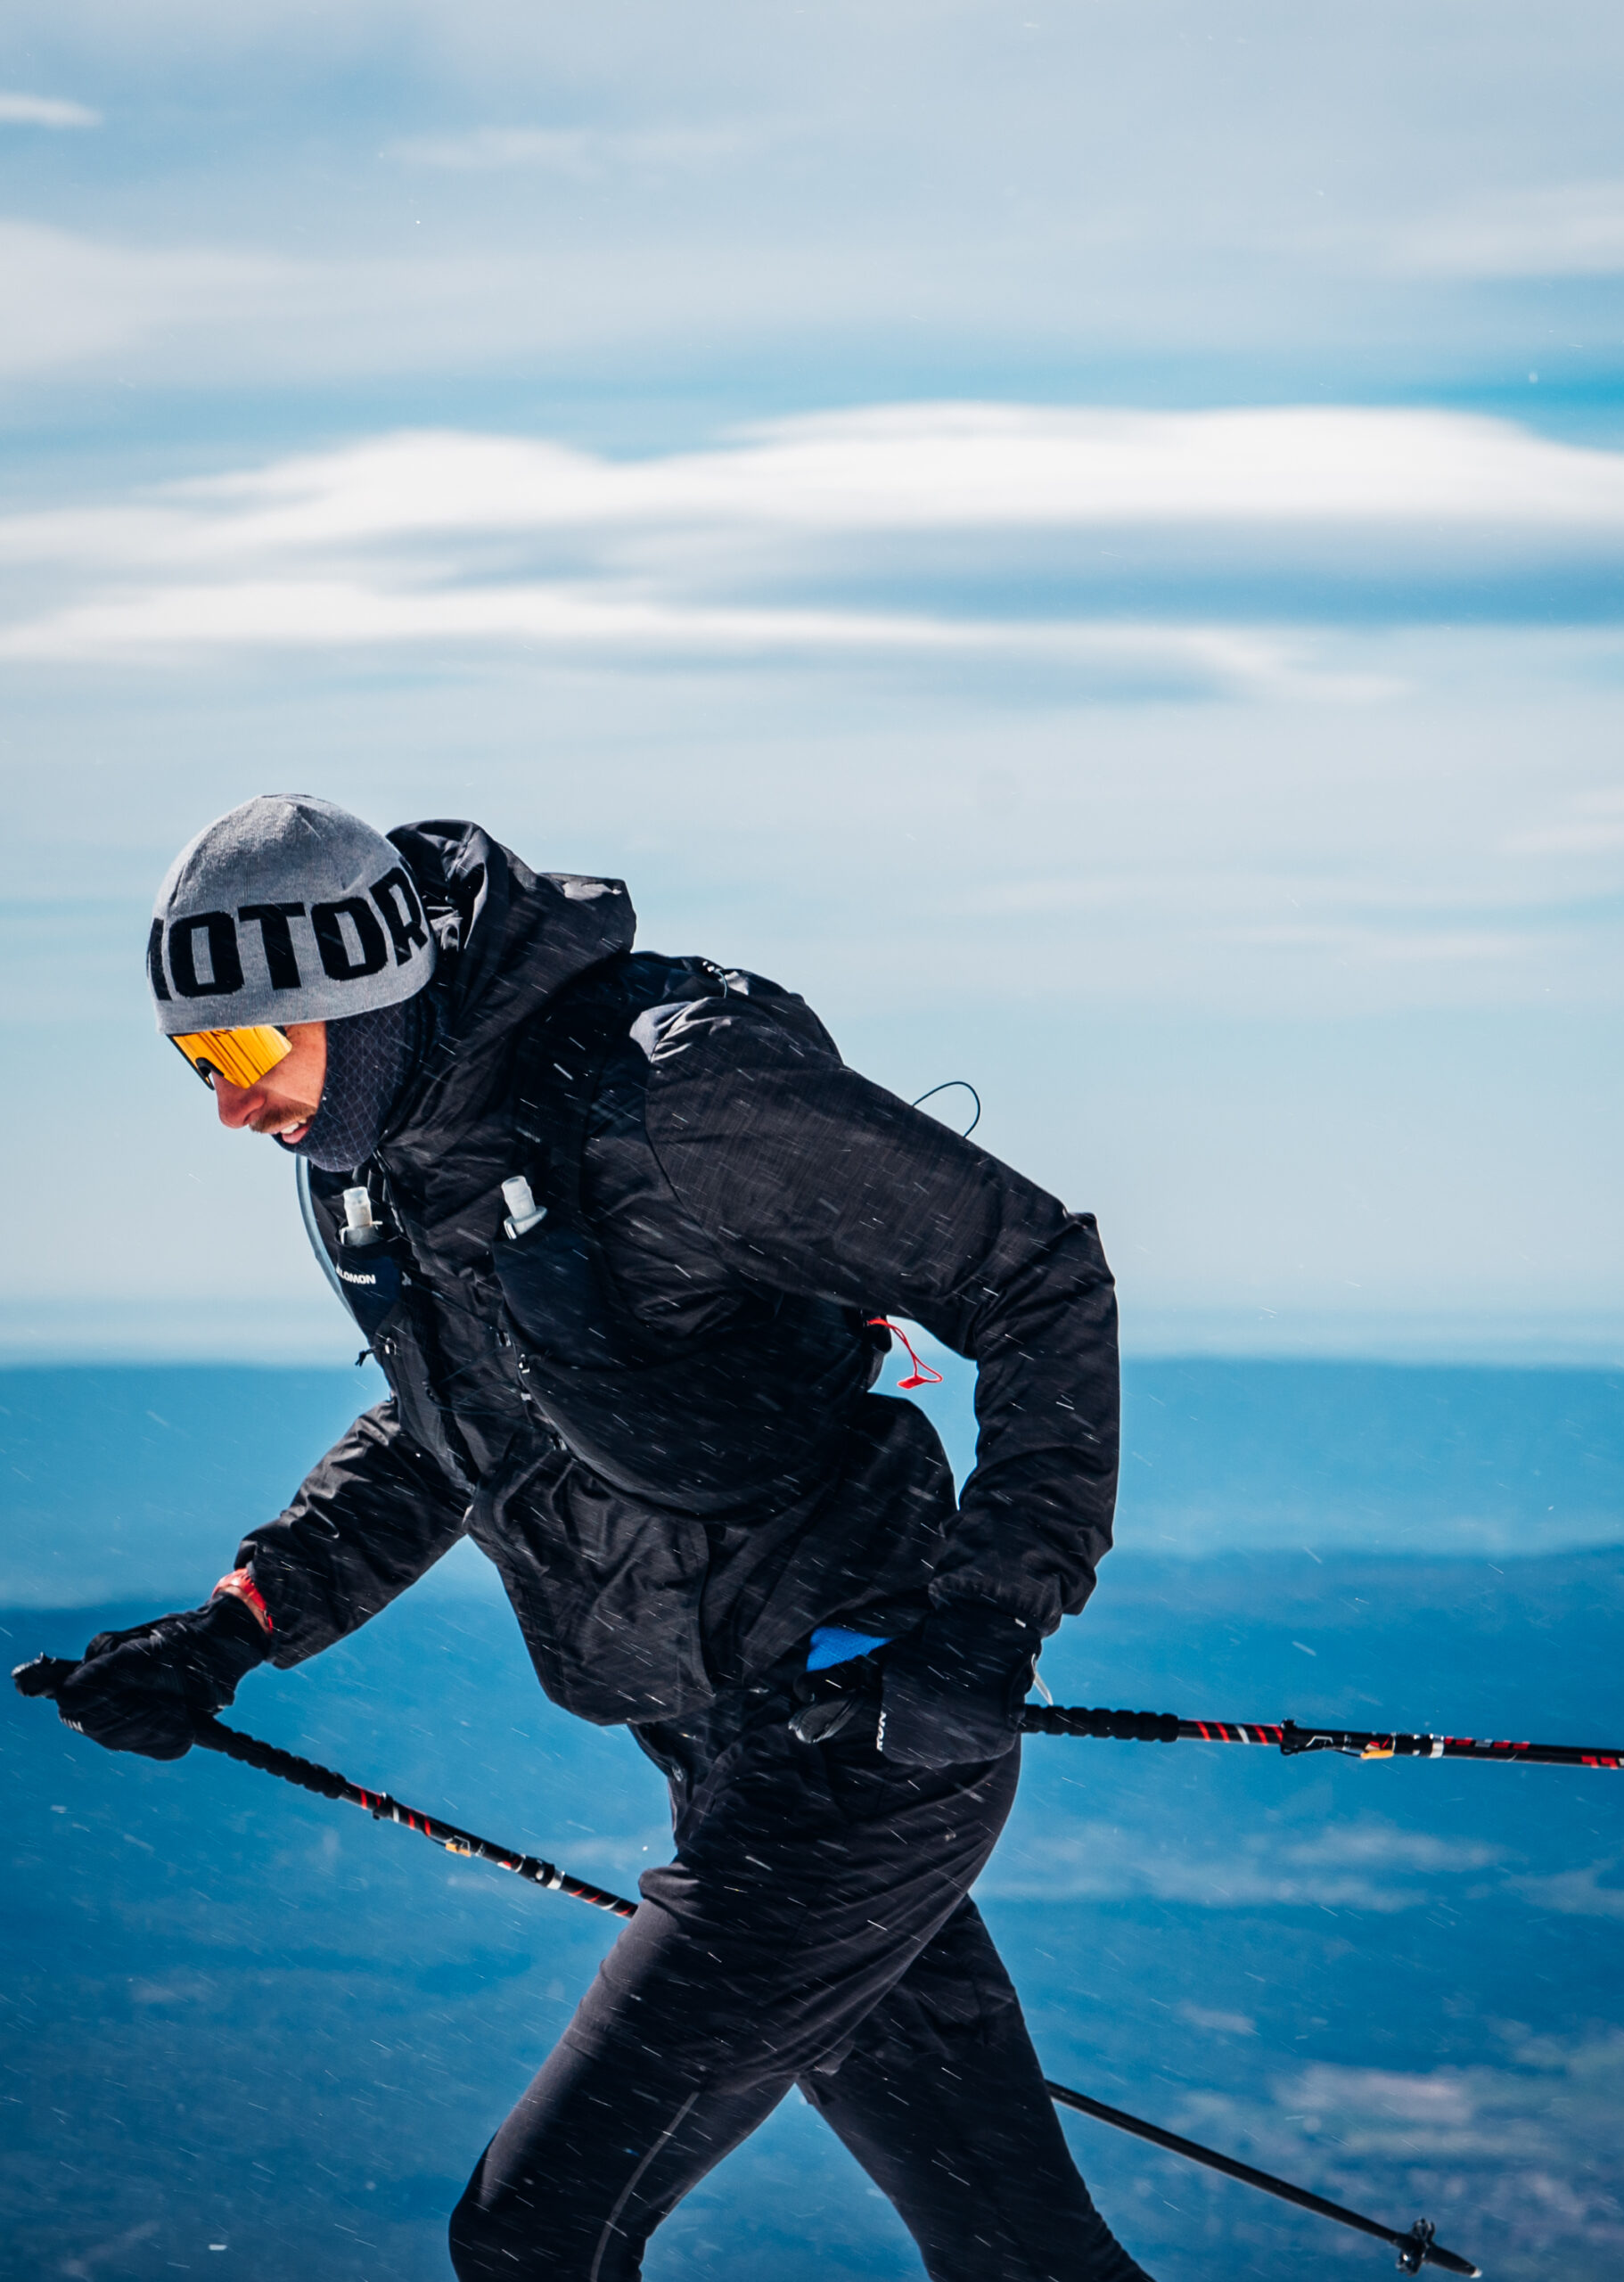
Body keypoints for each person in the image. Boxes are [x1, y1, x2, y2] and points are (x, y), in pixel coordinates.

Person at [49, 794, 1147, 2282]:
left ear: (367, 993)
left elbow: (1038, 1276)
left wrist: (989, 1621)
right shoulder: (393, 1161)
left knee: (533, 2242)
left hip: (867, 1748)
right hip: (727, 1752)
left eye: (248, 1049)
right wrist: (241, 1626)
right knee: (1017, 2251)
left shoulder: (672, 1098)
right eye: (199, 1059)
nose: (228, 1106)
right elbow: (462, 1432)